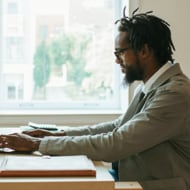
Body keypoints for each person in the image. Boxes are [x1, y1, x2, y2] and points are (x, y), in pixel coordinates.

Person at [1, 8, 190, 190]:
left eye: (120, 52)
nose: (117, 60)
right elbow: (118, 127)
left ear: (144, 51)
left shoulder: (175, 95)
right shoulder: (151, 86)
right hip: (132, 179)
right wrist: (57, 135)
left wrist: (37, 145)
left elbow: (117, 142)